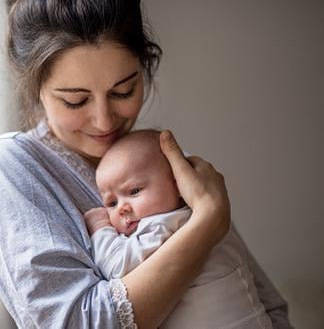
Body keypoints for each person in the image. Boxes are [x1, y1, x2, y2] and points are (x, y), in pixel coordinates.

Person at [0, 0, 291, 327]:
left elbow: (270, 306)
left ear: (145, 66)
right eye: (75, 100)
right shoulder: (11, 168)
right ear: (36, 89)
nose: (104, 121)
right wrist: (207, 221)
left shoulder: (157, 158)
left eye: (123, 91)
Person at [85, 129, 273, 328]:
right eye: (111, 203)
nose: (122, 208)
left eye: (134, 191)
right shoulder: (196, 213)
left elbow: (117, 268)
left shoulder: (165, 226)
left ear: (178, 184)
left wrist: (100, 229)